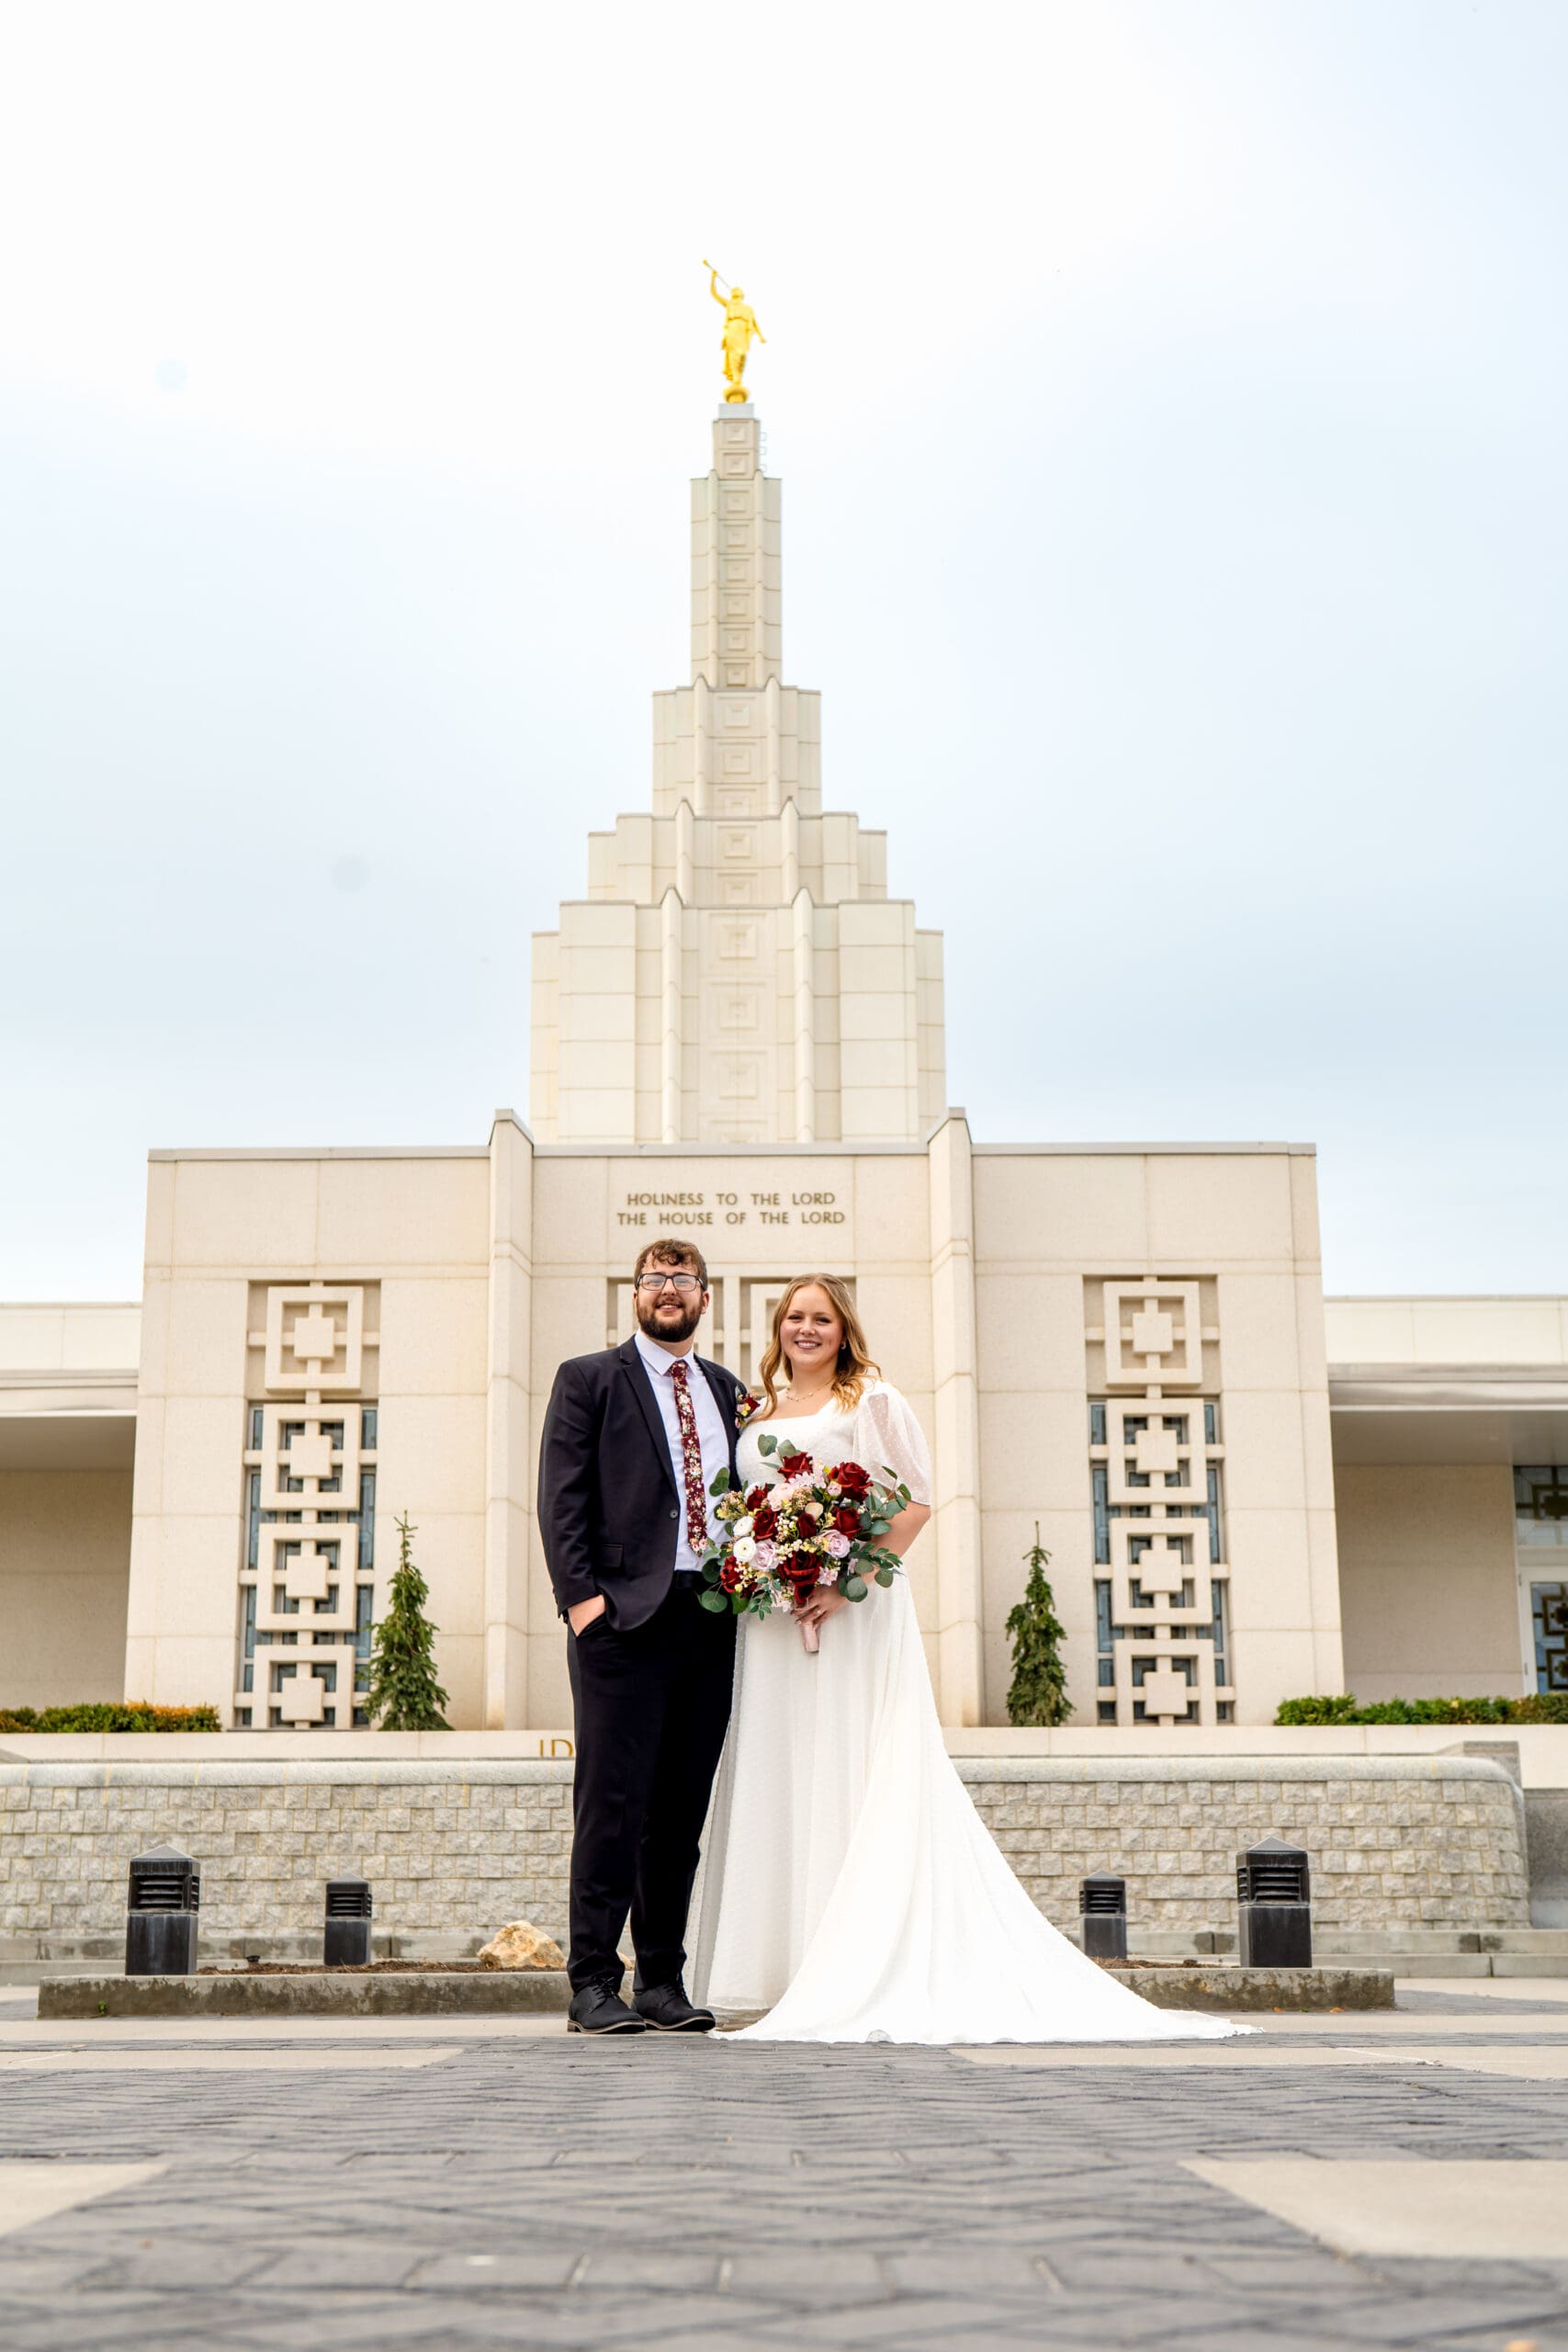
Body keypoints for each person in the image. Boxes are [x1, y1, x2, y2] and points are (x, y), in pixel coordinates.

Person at [690, 1275, 1247, 2044]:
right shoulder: (756, 1411)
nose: (805, 1329)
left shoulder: (870, 1402)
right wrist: (769, 1564)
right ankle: (786, 1969)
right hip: (772, 1622)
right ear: (777, 1328)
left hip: (847, 1615)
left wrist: (842, 1585)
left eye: (820, 1317)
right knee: (784, 1772)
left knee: (847, 1769)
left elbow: (914, 1500)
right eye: (794, 1317)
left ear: (844, 1328)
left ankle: (854, 1963)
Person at [537, 1237, 745, 2035]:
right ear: (633, 1295)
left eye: (682, 1279)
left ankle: (662, 1980)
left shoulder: (728, 1390)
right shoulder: (589, 1378)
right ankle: (593, 1983)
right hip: (621, 1619)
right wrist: (582, 1602)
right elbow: (561, 1497)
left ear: (704, 1297)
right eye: (654, 1279)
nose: (668, 1290)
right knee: (611, 1806)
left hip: (710, 1617)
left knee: (679, 1811)